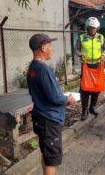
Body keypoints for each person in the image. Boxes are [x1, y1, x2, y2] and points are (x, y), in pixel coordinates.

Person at [27, 33, 76, 175]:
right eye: (50, 46)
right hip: (49, 120)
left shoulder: (32, 68)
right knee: (52, 160)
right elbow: (54, 97)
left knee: (46, 154)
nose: (51, 49)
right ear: (43, 47)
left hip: (40, 117)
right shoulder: (43, 70)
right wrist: (68, 99)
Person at [75, 17, 105, 121]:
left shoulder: (101, 37)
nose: (92, 30)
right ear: (87, 28)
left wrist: (103, 55)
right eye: (90, 28)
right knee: (85, 89)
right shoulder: (81, 38)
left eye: (94, 28)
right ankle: (84, 110)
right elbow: (76, 50)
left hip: (97, 65)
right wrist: (80, 55)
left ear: (97, 28)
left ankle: (92, 107)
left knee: (96, 88)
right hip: (86, 66)